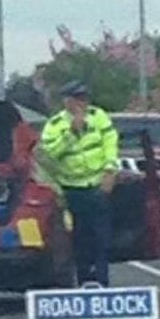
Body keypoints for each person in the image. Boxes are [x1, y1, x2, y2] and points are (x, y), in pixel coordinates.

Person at [40, 81, 119, 287]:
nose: (82, 103)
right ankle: (84, 280)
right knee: (79, 238)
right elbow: (50, 154)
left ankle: (103, 282)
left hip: (97, 186)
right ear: (66, 101)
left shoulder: (98, 116)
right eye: (77, 99)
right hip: (72, 190)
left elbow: (110, 144)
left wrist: (110, 170)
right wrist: (70, 133)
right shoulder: (54, 125)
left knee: (102, 237)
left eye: (84, 98)